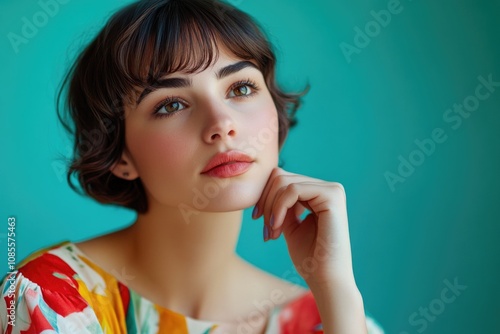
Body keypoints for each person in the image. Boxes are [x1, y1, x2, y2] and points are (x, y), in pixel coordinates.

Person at [0, 0, 384, 333]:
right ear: (120, 156)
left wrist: (334, 286)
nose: (222, 124)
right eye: (171, 104)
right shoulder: (48, 300)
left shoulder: (333, 318)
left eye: (241, 88)